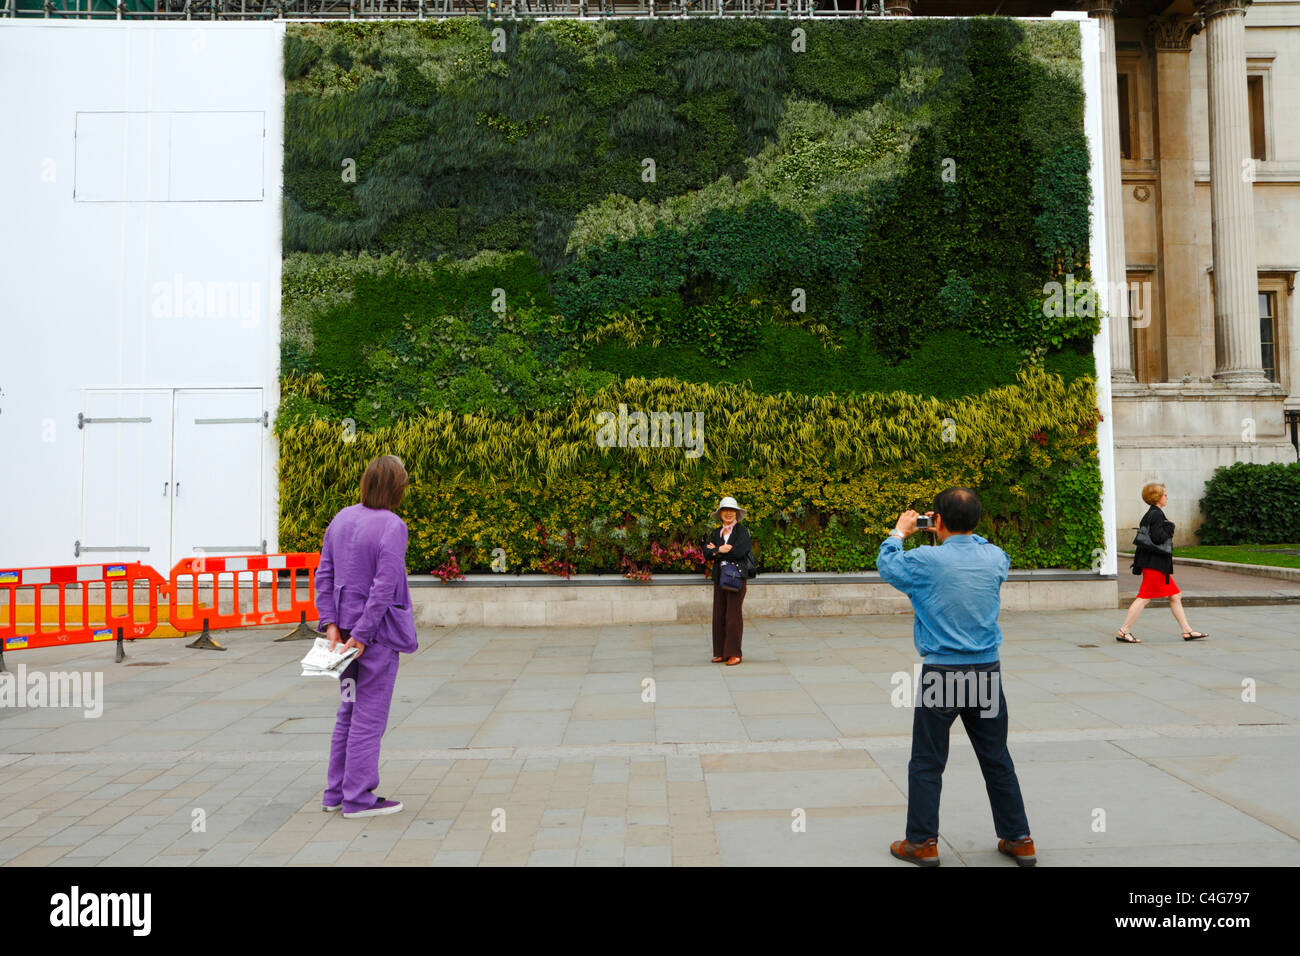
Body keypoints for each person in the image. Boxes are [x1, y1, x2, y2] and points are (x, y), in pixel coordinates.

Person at [876, 487, 1036, 867]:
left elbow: (888, 565)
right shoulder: (995, 557)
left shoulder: (926, 560)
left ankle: (922, 842)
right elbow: (978, 544)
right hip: (985, 670)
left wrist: (900, 531)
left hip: (942, 672)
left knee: (928, 761)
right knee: (997, 758)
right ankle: (1019, 838)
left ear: (938, 521)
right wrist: (957, 534)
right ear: (978, 522)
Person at [315, 454, 420, 818]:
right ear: (396, 487)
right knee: (369, 717)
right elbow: (384, 587)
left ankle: (335, 793)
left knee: (348, 710)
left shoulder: (342, 518)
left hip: (341, 638)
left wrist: (331, 623)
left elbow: (323, 574)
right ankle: (358, 798)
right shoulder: (393, 526)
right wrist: (362, 633)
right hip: (372, 639)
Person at [1117, 482, 1208, 643]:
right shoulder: (1157, 514)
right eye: (1165, 494)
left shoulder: (1150, 514)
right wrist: (1170, 526)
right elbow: (1158, 538)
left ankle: (1187, 631)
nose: (1167, 497)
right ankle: (1124, 630)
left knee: (1175, 595)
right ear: (1157, 497)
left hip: (1152, 563)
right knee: (1144, 597)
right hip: (1155, 565)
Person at [703, 495, 753, 666]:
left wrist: (717, 551)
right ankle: (720, 652)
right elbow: (706, 553)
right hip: (720, 577)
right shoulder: (715, 533)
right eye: (725, 510)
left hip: (736, 577)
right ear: (720, 513)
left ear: (737, 513)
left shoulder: (742, 531)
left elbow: (740, 552)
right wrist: (720, 549)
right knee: (718, 614)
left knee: (733, 615)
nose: (729, 513)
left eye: (732, 510)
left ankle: (734, 653)